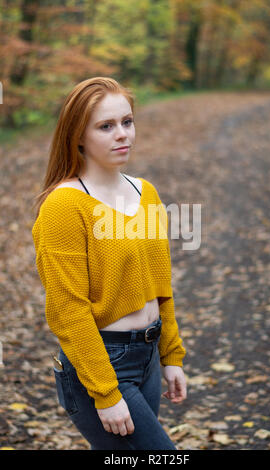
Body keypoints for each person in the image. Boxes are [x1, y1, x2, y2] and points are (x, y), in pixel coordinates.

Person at [31, 76, 187, 450]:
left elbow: (160, 285)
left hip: (147, 356)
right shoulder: (64, 207)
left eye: (127, 122)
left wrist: (171, 355)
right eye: (106, 126)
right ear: (78, 136)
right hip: (101, 363)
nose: (123, 135)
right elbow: (69, 310)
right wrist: (106, 392)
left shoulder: (145, 192)